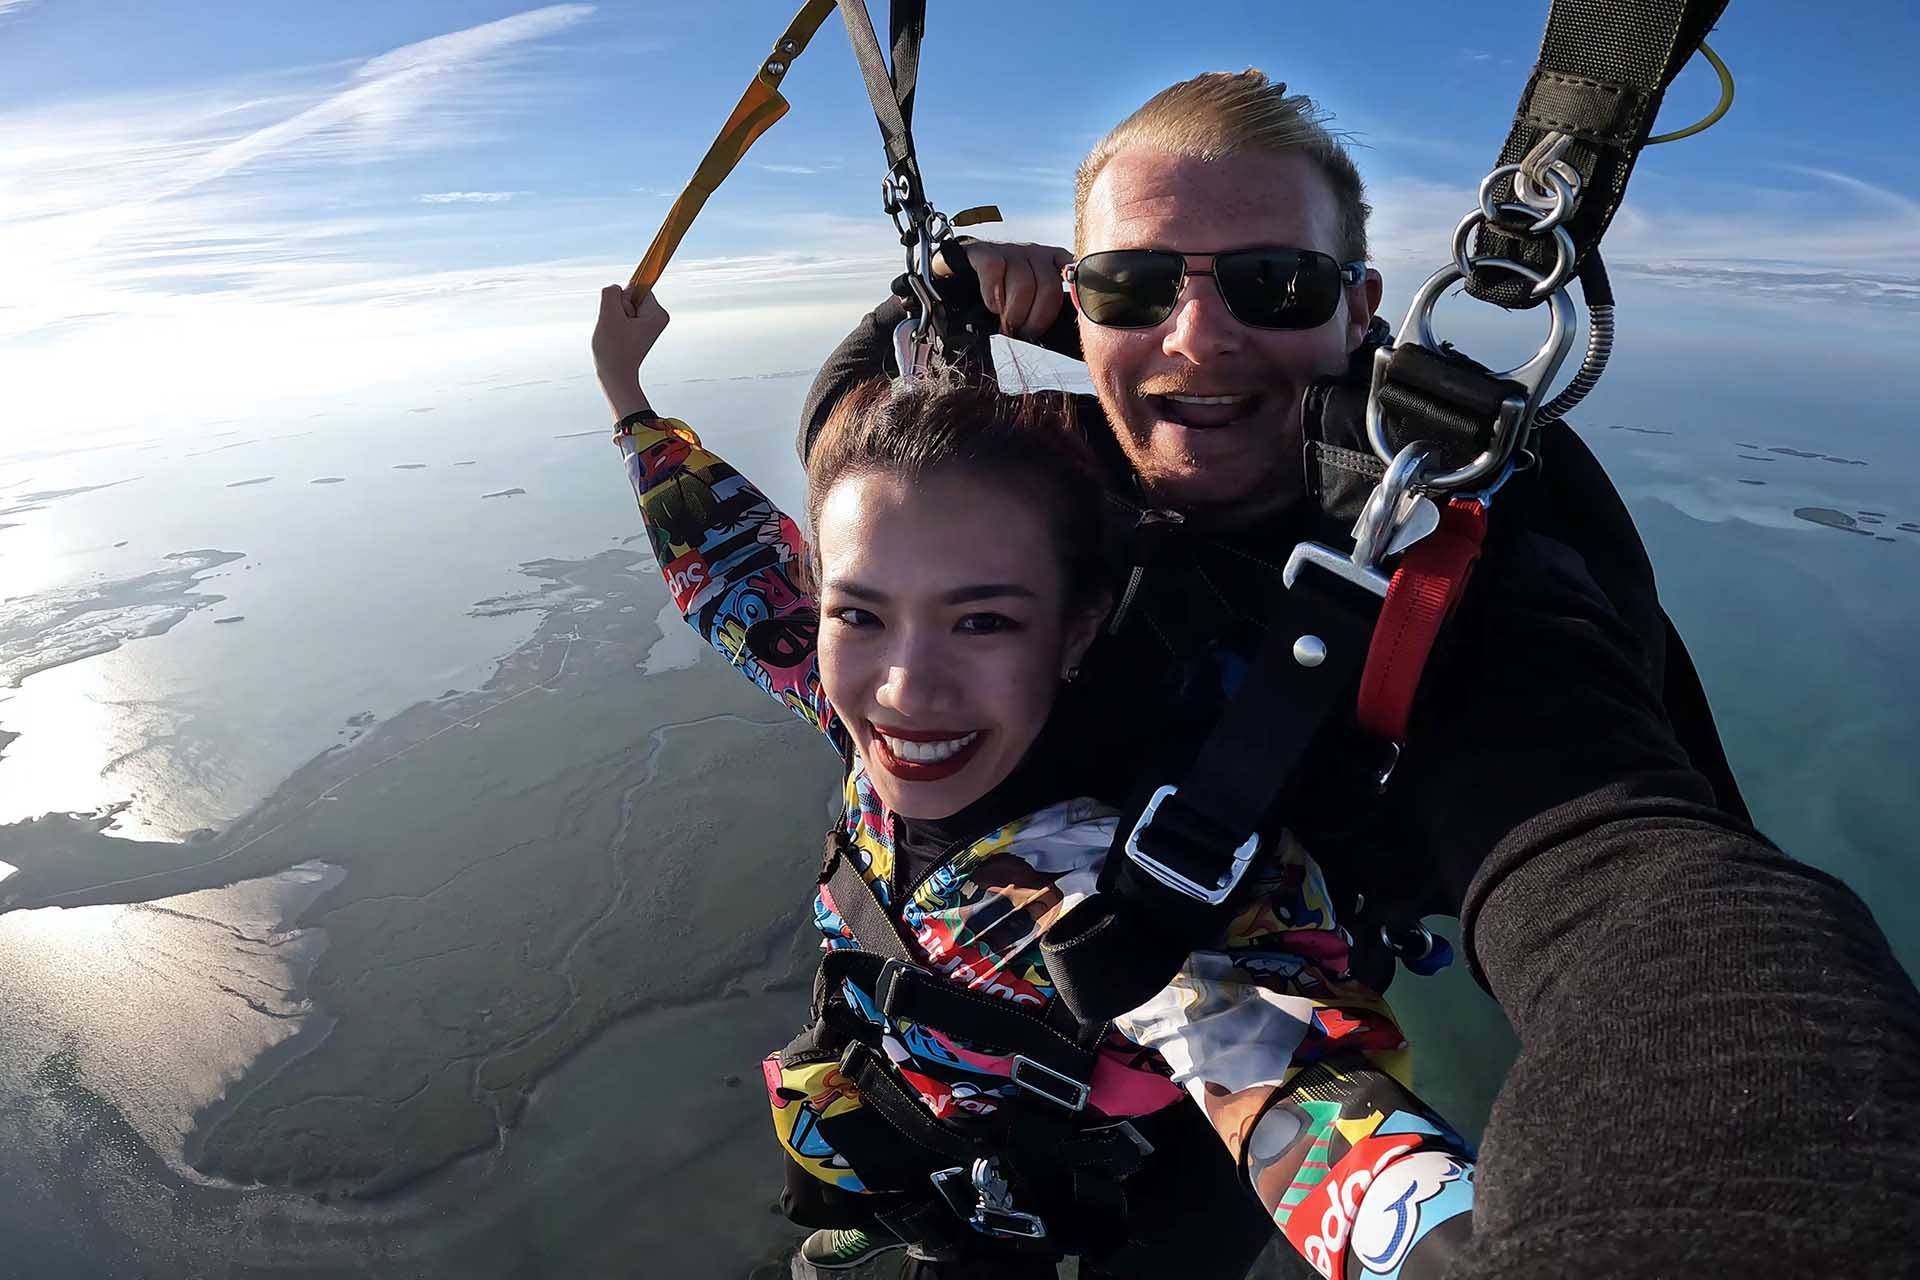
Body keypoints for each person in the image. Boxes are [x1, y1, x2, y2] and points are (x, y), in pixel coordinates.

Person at [798, 70, 1920, 1274]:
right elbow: (850, 455)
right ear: (1080, 305)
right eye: (1136, 285)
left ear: (1359, 309)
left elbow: (1622, 878)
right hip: (938, 1071)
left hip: (1209, 1114)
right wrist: (952, 298)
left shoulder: (1452, 576)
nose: (1198, 336)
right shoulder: (1044, 482)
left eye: (1272, 283)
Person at [590, 282, 1486, 1278]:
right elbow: (728, 562)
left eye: (983, 620)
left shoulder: (1137, 878)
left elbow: (1302, 1093)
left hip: (1097, 1201)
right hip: (931, 1135)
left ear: (1077, 626)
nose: (904, 687)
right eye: (860, 613)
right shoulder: (849, 705)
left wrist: (1472, 1249)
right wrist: (626, 393)